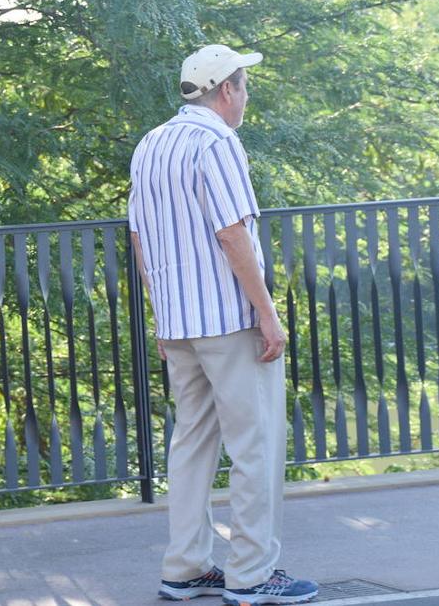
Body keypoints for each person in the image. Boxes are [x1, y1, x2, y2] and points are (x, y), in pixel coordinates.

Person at [128, 45, 317, 605]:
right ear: (226, 90)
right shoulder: (217, 141)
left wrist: (162, 318)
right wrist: (267, 311)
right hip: (227, 321)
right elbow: (232, 233)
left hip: (180, 324)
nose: (245, 97)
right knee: (255, 443)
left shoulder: (151, 142)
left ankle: (184, 568)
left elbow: (140, 236)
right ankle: (253, 574)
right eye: (244, 86)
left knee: (191, 444)